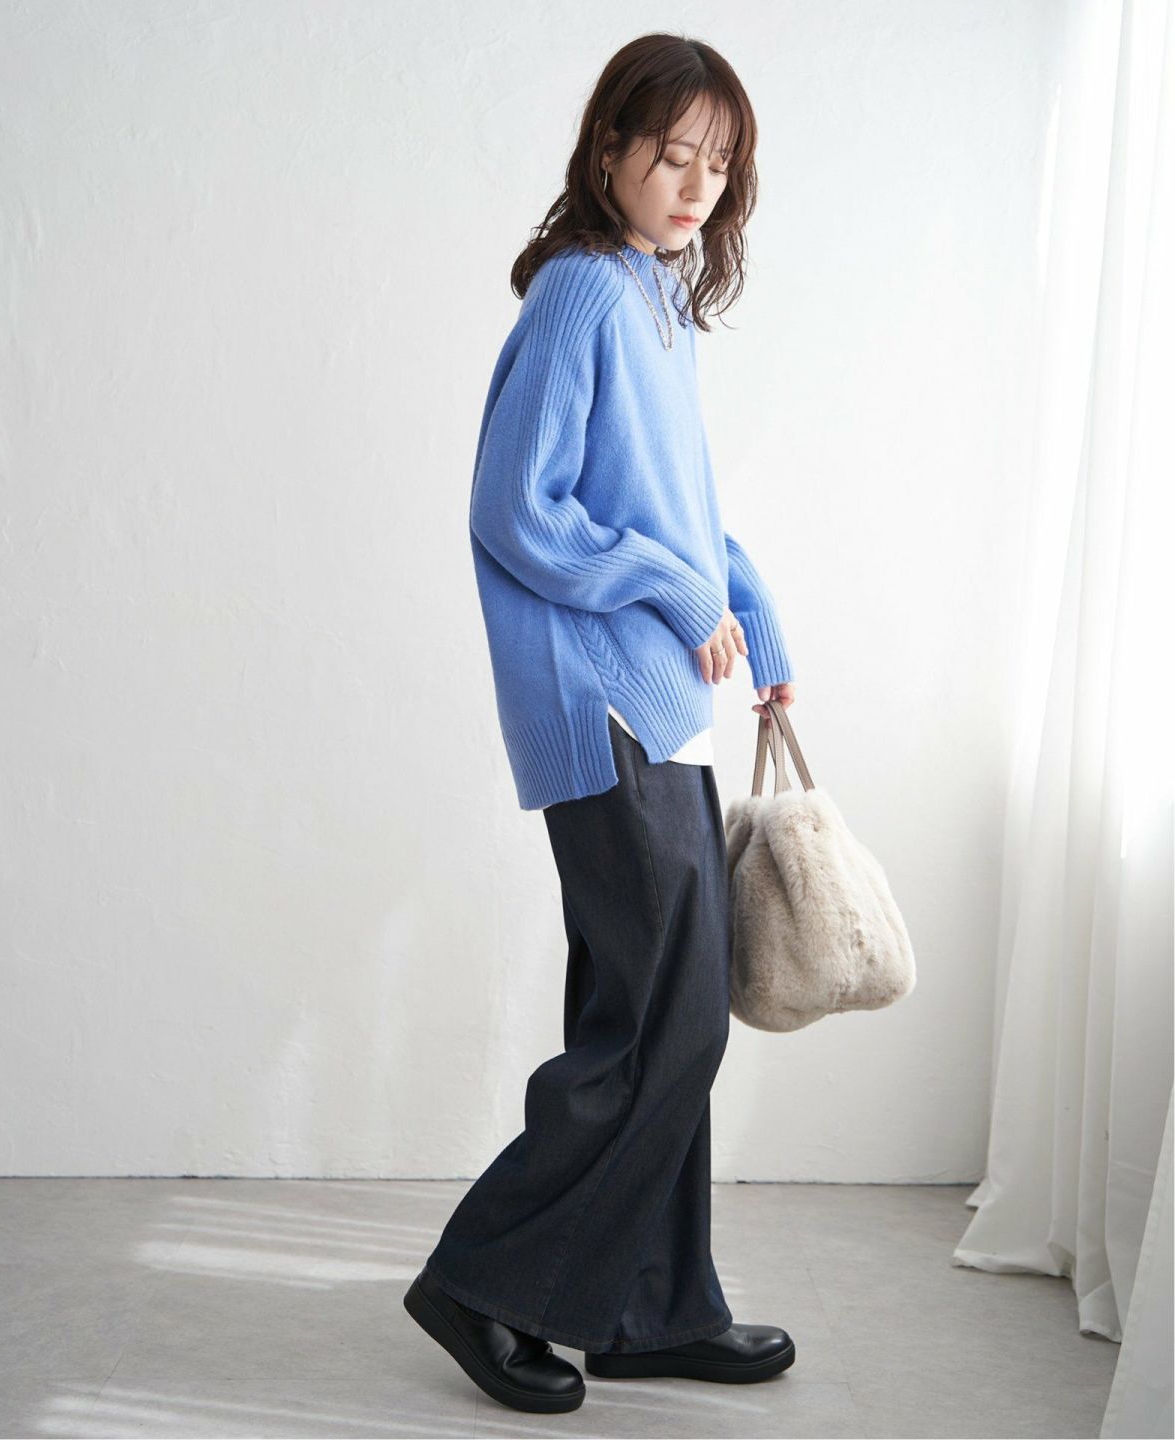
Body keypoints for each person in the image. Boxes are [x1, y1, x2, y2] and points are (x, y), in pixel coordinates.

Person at [404, 31, 798, 1415]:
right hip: (603, 704)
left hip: (666, 702)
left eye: (718, 164)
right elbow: (517, 508)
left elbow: (681, 513)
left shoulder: (653, 301)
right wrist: (674, 589)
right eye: (672, 155)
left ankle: (647, 1307)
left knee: (655, 1013)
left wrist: (758, 624)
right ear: (611, 149)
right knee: (662, 1027)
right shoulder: (579, 291)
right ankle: (483, 1281)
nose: (695, 186)